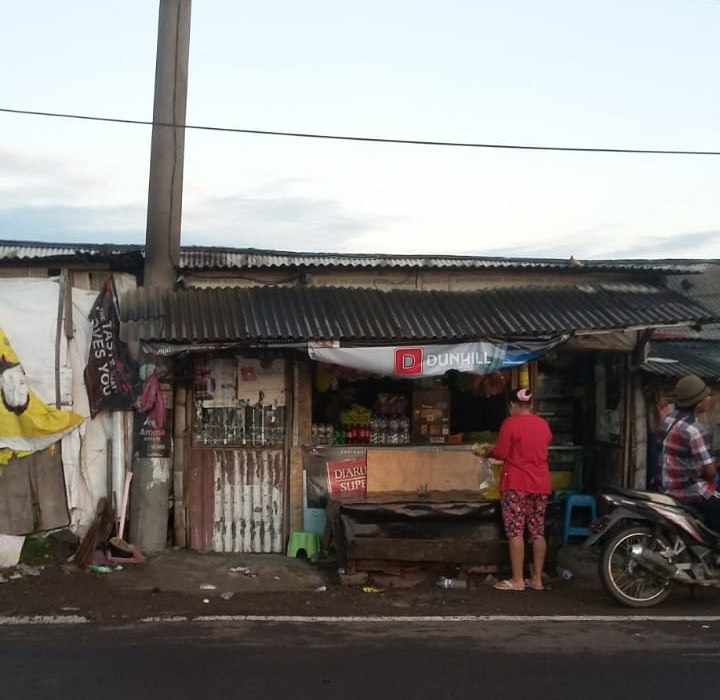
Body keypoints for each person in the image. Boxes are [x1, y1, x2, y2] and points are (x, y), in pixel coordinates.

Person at [477, 387, 552, 591]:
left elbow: (501, 452)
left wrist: (486, 452)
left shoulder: (510, 423)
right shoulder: (543, 424)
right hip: (541, 483)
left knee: (516, 531)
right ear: (531, 405)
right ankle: (536, 580)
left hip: (517, 483)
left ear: (512, 406)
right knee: (537, 531)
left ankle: (518, 580)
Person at [658, 374, 718, 530]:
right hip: (687, 490)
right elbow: (710, 473)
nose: (710, 399)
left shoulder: (668, 420)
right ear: (698, 403)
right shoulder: (695, 430)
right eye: (707, 396)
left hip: (664, 485)